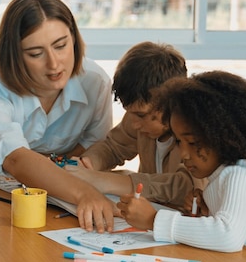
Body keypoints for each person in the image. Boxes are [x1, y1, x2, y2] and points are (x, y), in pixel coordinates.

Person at [116, 70, 246, 262]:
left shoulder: (240, 174)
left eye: (193, 142)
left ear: (224, 137)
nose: (184, 154)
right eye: (179, 141)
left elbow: (228, 236)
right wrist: (205, 214)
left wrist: (154, 220)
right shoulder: (218, 177)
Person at [0, 0, 115, 232]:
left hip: (61, 195)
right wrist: (84, 192)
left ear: (74, 38)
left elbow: (95, 147)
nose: (54, 64)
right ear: (14, 55)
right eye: (36, 53)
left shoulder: (95, 82)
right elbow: (14, 158)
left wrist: (54, 169)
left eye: (61, 46)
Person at [67, 41, 205, 208]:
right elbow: (113, 147)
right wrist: (87, 164)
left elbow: (183, 185)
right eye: (129, 112)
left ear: (172, 102)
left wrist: (103, 180)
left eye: (141, 115)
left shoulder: (196, 132)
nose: (134, 124)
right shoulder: (138, 118)